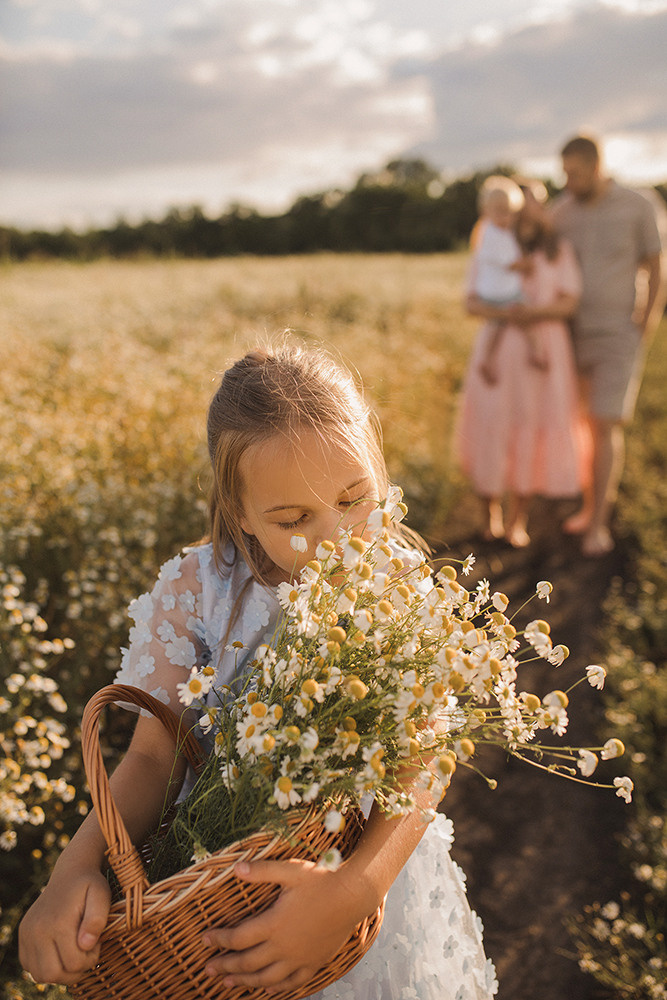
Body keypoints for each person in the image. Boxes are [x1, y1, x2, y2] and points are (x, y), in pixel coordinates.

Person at [19, 344, 498, 1000]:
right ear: (239, 511)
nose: (335, 538)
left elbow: (426, 758)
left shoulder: (395, 581)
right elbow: (153, 759)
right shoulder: (197, 591)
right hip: (215, 897)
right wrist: (73, 868)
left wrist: (351, 894)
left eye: (354, 499)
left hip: (362, 884)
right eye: (293, 519)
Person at [551, 134, 666, 557]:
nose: (568, 181)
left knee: (604, 423)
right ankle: (586, 506)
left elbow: (657, 267)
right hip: (571, 336)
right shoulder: (562, 212)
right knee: (583, 425)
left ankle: (598, 524)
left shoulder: (638, 205)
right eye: (564, 172)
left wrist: (644, 326)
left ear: (596, 166)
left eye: (574, 173)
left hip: (618, 334)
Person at [457, 182, 586, 548]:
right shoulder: (491, 246)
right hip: (498, 352)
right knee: (492, 425)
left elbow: (569, 302)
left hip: (541, 353)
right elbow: (471, 302)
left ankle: (517, 519)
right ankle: (490, 515)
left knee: (531, 426)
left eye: (538, 203)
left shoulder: (557, 249)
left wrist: (533, 314)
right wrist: (508, 314)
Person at [471, 175, 546, 385]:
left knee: (495, 326)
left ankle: (487, 359)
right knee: (526, 318)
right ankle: (537, 350)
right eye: (501, 212)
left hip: (493, 292)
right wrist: (525, 265)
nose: (507, 218)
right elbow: (507, 262)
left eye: (510, 213)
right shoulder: (491, 233)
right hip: (503, 292)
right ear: (486, 211)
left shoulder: (495, 232)